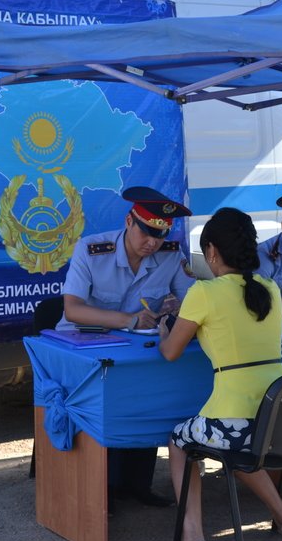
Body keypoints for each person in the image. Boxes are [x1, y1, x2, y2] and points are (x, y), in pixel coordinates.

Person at [147, 207, 282, 541]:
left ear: (211, 253)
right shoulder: (270, 289)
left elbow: (171, 351)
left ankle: (192, 540)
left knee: (180, 440)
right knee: (238, 448)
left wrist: (162, 329)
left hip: (235, 420)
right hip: (277, 419)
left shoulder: (203, 292)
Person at [58, 185, 196, 509]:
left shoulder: (170, 255)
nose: (152, 243)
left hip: (135, 351)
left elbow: (193, 301)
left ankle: (138, 484)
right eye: (146, 232)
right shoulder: (92, 250)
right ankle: (100, 491)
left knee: (149, 395)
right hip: (84, 346)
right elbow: (72, 310)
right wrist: (128, 320)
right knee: (103, 401)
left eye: (159, 236)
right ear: (129, 221)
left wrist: (177, 315)